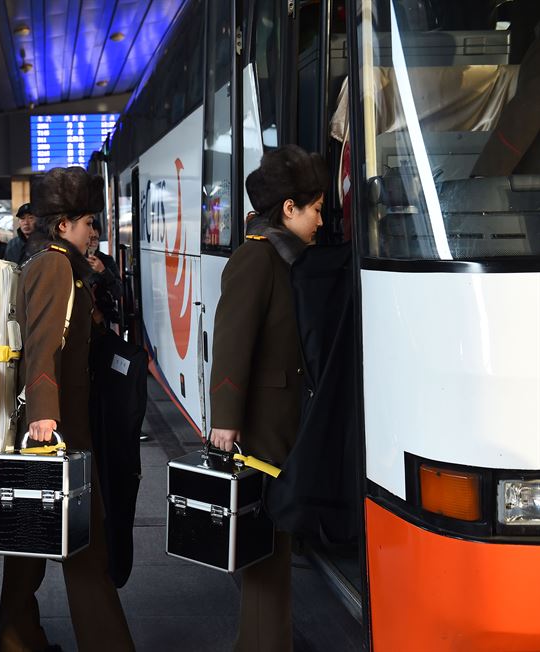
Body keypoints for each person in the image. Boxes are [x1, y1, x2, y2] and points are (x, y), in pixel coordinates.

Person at [0, 166, 134, 652]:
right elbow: (41, 345)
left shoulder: (59, 264)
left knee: (28, 542)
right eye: (87, 222)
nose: (94, 231)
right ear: (63, 226)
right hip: (58, 427)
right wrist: (44, 415)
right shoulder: (54, 265)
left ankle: (17, 637)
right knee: (85, 548)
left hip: (58, 421)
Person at [208, 144, 326, 652]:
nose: (322, 220)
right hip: (259, 432)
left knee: (272, 552)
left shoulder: (288, 259)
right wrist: (226, 423)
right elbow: (232, 345)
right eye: (317, 209)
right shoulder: (255, 259)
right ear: (289, 209)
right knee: (264, 555)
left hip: (282, 428)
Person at [87, 221, 122, 327]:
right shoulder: (73, 260)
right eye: (90, 238)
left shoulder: (106, 261)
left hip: (101, 322)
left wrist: (103, 271)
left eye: (96, 239)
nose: (92, 243)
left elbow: (118, 292)